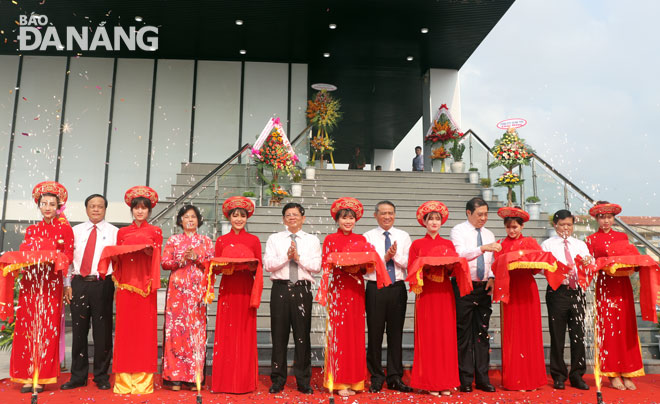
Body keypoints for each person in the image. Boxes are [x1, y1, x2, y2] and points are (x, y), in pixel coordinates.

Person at [316, 197, 390, 397]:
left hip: (357, 289)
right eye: (344, 218)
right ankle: (339, 382)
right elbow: (326, 263)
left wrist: (360, 266)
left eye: (351, 218)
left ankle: (356, 381)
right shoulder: (331, 239)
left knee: (356, 335)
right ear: (337, 220)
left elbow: (368, 267)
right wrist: (342, 265)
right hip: (339, 289)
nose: (348, 221)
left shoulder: (361, 240)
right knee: (339, 336)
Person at [8, 182, 73, 393]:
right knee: (27, 329)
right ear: (38, 205)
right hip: (30, 284)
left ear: (58, 207)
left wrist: (65, 282)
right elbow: (25, 256)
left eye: (52, 204)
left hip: (51, 284)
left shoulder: (65, 229)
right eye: (44, 203)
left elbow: (69, 258)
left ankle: (41, 377)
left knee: (47, 329)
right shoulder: (32, 229)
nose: (47, 207)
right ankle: (27, 375)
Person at [98, 186, 163, 395]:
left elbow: (158, 260)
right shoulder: (122, 232)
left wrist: (149, 251)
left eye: (144, 208)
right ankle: (124, 381)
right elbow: (117, 259)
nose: (140, 211)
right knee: (126, 334)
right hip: (126, 288)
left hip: (146, 289)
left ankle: (143, 382)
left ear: (149, 210)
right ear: (131, 210)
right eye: (137, 208)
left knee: (145, 334)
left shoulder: (156, 232)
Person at [406, 201, 467, 396]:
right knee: (428, 337)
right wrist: (426, 266)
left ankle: (446, 382)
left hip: (445, 293)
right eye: (430, 218)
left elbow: (454, 268)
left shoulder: (448, 244)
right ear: (423, 222)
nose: (434, 222)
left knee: (446, 337)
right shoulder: (417, 245)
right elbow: (411, 270)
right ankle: (430, 382)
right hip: (426, 294)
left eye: (437, 219)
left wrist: (448, 265)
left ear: (442, 222)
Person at [60, 194, 118, 391]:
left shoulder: (114, 232)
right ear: (86, 209)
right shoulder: (74, 231)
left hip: (103, 284)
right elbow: (67, 260)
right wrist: (67, 284)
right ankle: (78, 376)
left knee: (102, 332)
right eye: (92, 206)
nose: (95, 209)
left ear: (105, 209)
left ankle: (101, 375)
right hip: (78, 283)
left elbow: (119, 262)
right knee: (78, 331)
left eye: (99, 206)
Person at [263, 202, 321, 395]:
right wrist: (286, 258)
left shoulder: (311, 240)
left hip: (302, 289)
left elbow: (316, 266)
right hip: (280, 288)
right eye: (288, 215)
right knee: (279, 336)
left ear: (303, 218)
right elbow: (268, 265)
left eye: (296, 214)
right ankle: (278, 379)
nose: (292, 217)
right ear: (283, 219)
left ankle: (304, 381)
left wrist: (298, 257)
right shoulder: (275, 238)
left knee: (302, 336)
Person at [586, 201, 644, 391]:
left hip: (623, 286)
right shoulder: (591, 240)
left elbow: (631, 259)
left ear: (613, 218)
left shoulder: (622, 236)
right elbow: (589, 266)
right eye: (602, 217)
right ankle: (612, 374)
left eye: (609, 217)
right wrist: (599, 264)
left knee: (626, 327)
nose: (606, 221)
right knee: (609, 329)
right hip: (605, 287)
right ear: (596, 219)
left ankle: (629, 372)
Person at [210, 196, 263, 394]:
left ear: (247, 218)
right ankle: (223, 382)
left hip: (246, 290)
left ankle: (244, 382)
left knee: (245, 333)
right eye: (235, 215)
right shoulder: (222, 240)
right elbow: (214, 268)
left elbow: (259, 267)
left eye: (242, 215)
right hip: (228, 290)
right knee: (226, 334)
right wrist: (225, 267)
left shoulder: (254, 240)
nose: (239, 219)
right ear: (229, 218)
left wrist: (250, 266)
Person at [492, 207, 547, 391]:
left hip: (527, 289)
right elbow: (496, 268)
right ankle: (515, 379)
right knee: (513, 334)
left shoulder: (530, 242)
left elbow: (539, 265)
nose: (512, 230)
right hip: (510, 290)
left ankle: (532, 379)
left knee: (530, 333)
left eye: (515, 227)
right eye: (508, 227)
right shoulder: (500, 245)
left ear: (522, 226)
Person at [449, 197, 500, 393]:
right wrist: (482, 248)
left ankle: (483, 378)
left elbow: (493, 260)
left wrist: (493, 277)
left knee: (482, 333)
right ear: (468, 213)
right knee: (463, 334)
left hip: (483, 288)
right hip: (464, 285)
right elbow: (460, 254)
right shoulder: (459, 231)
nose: (484, 218)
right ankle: (464, 378)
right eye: (480, 214)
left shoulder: (489, 233)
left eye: (486, 214)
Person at [161, 205, 214, 391]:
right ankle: (174, 377)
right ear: (180, 221)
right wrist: (182, 259)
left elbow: (212, 264)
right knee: (176, 332)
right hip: (177, 292)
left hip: (198, 293)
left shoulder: (206, 241)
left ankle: (194, 377)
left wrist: (197, 257)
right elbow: (165, 263)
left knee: (196, 332)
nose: (190, 220)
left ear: (198, 220)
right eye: (186, 217)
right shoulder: (174, 240)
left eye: (193, 216)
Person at [363, 201, 412, 393]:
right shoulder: (367, 236)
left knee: (395, 334)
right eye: (383, 213)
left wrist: (394, 256)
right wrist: (384, 258)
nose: (387, 216)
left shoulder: (403, 236)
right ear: (375, 215)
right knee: (375, 334)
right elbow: (366, 263)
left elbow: (408, 262)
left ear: (395, 215)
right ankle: (376, 376)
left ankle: (395, 377)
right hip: (375, 287)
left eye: (390, 213)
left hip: (397, 288)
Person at [541, 209, 590, 391]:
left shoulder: (580, 244)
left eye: (569, 224)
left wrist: (587, 262)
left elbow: (588, 263)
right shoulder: (547, 244)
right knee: (557, 334)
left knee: (578, 335)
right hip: (557, 292)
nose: (565, 228)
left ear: (573, 225)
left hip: (577, 292)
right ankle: (559, 375)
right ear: (555, 225)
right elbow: (540, 268)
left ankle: (577, 375)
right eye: (562, 225)